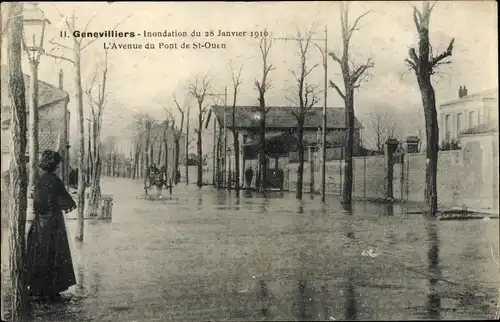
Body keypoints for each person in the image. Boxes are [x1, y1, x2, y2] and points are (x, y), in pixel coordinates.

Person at [26, 150, 77, 301]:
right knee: (55, 253)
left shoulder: (39, 181)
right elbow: (67, 202)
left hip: (40, 223)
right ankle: (51, 289)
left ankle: (38, 288)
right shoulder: (55, 181)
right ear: (54, 166)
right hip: (54, 223)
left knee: (40, 252)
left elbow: (36, 203)